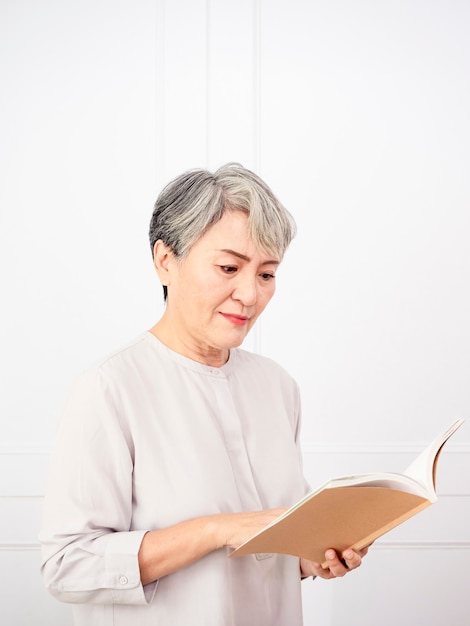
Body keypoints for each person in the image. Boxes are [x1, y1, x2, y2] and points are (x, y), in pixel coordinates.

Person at [40, 163, 368, 625]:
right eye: (229, 267)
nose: (250, 295)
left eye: (267, 274)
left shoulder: (276, 386)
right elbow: (67, 566)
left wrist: (315, 556)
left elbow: (273, 544)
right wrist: (217, 529)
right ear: (165, 261)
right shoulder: (109, 388)